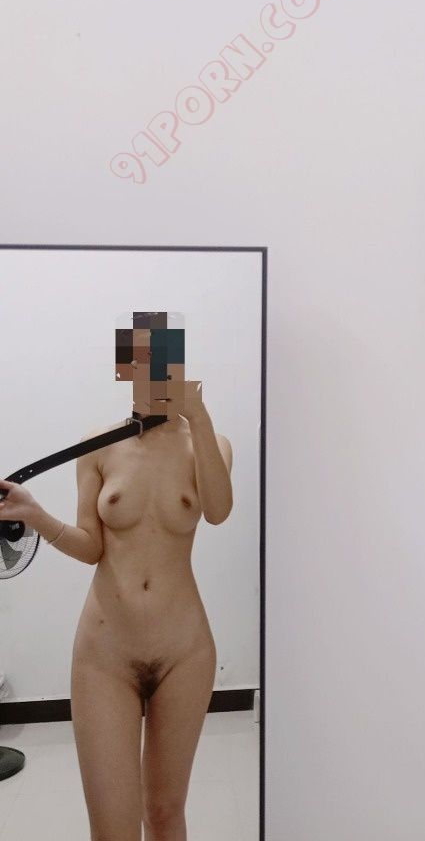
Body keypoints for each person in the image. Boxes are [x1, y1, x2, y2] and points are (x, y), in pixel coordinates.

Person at [0, 311, 233, 841]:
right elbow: (91, 547)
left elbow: (219, 511)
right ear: (123, 367)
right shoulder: (98, 446)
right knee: (112, 830)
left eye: (166, 356)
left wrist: (198, 417)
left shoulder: (211, 444)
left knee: (166, 813)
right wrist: (36, 514)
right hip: (106, 654)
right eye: (143, 358)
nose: (156, 369)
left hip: (184, 650)